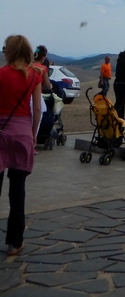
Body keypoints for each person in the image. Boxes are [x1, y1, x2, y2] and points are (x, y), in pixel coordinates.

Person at [0, 35, 43, 255]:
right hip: (22, 134)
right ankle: (15, 242)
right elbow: (37, 109)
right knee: (17, 192)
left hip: (1, 133)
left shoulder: (1, 74)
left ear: (10, 51)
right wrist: (33, 134)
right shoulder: (34, 75)